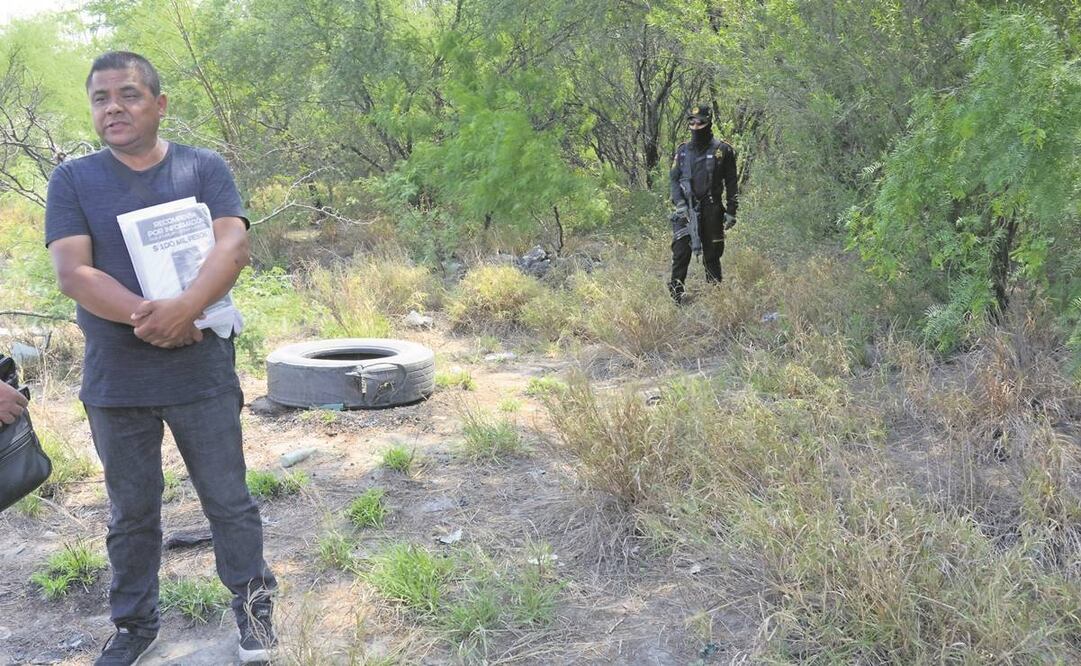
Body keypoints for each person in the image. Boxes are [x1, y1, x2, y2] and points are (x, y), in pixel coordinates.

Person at [44, 52, 276, 666]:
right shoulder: (73, 180)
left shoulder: (203, 166)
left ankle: (255, 616)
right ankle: (134, 627)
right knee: (132, 513)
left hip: (201, 370)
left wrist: (187, 309)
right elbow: (73, 272)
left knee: (227, 500)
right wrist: (153, 317)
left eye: (128, 94)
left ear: (159, 103)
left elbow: (233, 244)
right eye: (101, 98)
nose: (113, 107)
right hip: (116, 380)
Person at [667, 102, 739, 303]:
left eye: (700, 123)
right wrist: (680, 204)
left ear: (708, 123)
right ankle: (677, 298)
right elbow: (673, 179)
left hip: (712, 209)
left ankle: (716, 300)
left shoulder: (723, 150)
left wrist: (732, 210)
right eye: (692, 122)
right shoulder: (682, 151)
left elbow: (732, 182)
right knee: (681, 253)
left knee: (712, 256)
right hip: (686, 210)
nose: (696, 126)